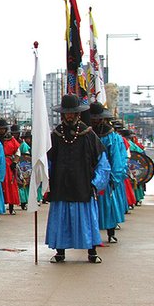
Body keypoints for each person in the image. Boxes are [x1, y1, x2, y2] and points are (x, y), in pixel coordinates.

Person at [46, 94, 111, 264]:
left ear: (77, 114)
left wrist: (96, 184)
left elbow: (103, 163)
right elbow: (48, 162)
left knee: (87, 220)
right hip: (61, 184)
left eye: (72, 113)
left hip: (83, 184)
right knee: (61, 218)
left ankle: (92, 252)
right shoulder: (56, 135)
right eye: (66, 113)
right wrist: (45, 181)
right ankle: (60, 252)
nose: (69, 116)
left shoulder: (88, 135)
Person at [89, 103, 126, 244]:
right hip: (90, 174)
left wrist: (114, 177)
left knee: (108, 205)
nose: (94, 120)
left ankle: (111, 232)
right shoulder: (87, 133)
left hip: (106, 174)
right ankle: (92, 234)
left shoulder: (112, 137)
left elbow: (117, 158)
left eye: (97, 118)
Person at [0, 119, 21, 215]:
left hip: (8, 164)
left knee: (10, 184)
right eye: (0, 129)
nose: (1, 130)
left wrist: (14, 162)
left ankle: (11, 206)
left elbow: (17, 152)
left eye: (3, 129)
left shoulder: (11, 139)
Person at [17, 128, 31, 210]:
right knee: (23, 184)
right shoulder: (24, 145)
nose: (29, 139)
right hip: (24, 166)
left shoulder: (24, 145)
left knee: (24, 184)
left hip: (25, 165)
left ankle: (24, 201)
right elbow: (26, 156)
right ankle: (23, 201)